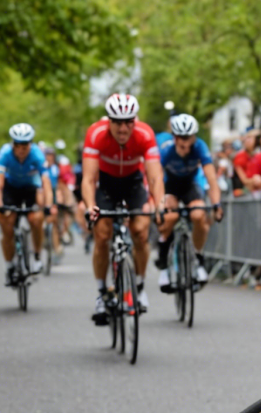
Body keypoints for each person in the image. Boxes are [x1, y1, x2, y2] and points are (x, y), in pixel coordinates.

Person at [82, 93, 164, 323]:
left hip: (133, 183)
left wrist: (159, 203)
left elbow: (155, 176)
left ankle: (139, 285)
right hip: (106, 184)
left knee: (140, 231)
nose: (122, 128)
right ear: (108, 121)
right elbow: (88, 179)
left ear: (134, 121)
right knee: (102, 234)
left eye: (128, 122)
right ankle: (101, 293)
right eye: (117, 122)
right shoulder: (96, 134)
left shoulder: (145, 134)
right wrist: (90, 207)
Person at [155, 113, 223, 292]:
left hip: (191, 184)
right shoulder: (166, 150)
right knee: (170, 217)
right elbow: (157, 179)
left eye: (189, 138)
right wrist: (160, 203)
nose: (186, 144)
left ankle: (198, 259)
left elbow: (211, 179)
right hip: (170, 184)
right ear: (175, 137)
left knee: (199, 215)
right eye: (181, 139)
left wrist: (217, 204)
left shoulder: (200, 147)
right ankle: (163, 265)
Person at [0, 123, 54, 281]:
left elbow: (46, 183)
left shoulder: (37, 155)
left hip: (29, 187)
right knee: (7, 221)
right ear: (13, 144)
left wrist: (48, 205)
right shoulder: (5, 154)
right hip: (10, 188)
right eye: (18, 145)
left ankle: (36, 257)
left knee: (36, 218)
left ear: (31, 143)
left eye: (25, 144)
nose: (21, 149)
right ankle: (9, 265)